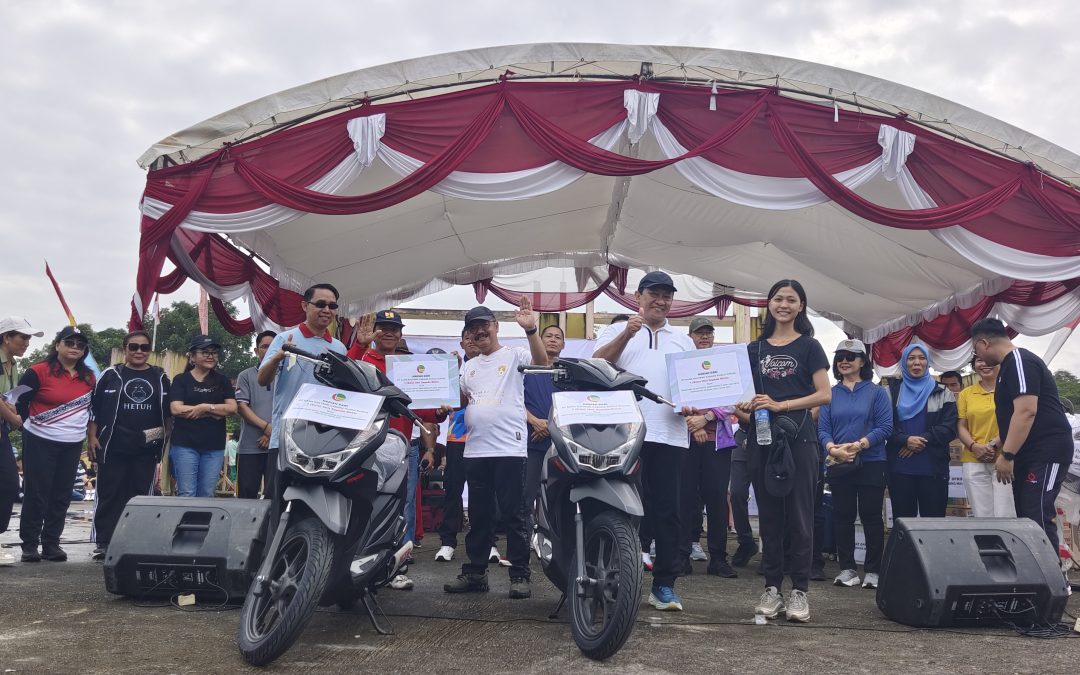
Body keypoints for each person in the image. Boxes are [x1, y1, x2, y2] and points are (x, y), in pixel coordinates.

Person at [594, 271, 695, 611]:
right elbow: (597, 364)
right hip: (624, 435)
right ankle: (614, 580)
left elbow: (694, 385)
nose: (661, 301)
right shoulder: (618, 329)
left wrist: (696, 406)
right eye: (654, 293)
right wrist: (627, 332)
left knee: (668, 512)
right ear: (638, 296)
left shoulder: (683, 340)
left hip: (670, 436)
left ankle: (664, 585)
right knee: (619, 507)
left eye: (667, 295)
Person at [736, 279, 831, 623]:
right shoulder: (753, 349)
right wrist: (742, 408)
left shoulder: (810, 347)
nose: (784, 304)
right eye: (778, 298)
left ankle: (799, 592)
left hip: (801, 442)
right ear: (769, 304)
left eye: (792, 300)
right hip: (763, 441)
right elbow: (743, 403)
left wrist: (781, 405)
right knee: (770, 518)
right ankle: (772, 588)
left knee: (801, 518)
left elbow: (824, 394)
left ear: (801, 306)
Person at [440, 299, 547, 599]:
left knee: (514, 514)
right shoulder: (469, 367)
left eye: (484, 325)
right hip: (475, 450)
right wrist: (443, 397)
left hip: (509, 449)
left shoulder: (516, 355)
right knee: (480, 514)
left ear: (496, 327)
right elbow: (461, 401)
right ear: (468, 336)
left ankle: (520, 574)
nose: (479, 332)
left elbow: (542, 363)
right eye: (472, 329)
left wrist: (531, 329)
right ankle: (475, 573)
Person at [347, 310, 445, 590]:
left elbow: (422, 407)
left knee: (403, 507)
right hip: (366, 445)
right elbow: (345, 376)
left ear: (401, 334)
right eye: (383, 328)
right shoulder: (364, 358)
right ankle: (359, 563)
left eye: (394, 329)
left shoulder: (408, 366)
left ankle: (397, 566)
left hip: (402, 446)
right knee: (364, 503)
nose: (389, 333)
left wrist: (437, 411)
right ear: (374, 331)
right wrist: (360, 344)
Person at [970, 318, 1073, 555]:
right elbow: (1011, 418)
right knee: (1027, 514)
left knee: (1037, 512)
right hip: (1027, 453)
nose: (980, 358)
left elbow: (1026, 411)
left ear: (984, 343)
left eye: (977, 350)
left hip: (1046, 451)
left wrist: (1007, 455)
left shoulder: (1020, 361)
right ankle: (1037, 576)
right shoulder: (1008, 368)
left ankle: (1053, 581)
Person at [257, 283, 347, 496]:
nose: (327, 310)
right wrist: (277, 357)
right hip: (286, 434)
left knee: (314, 497)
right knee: (277, 499)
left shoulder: (339, 347)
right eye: (321, 304)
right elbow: (262, 379)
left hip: (324, 436)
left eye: (332, 305)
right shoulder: (284, 339)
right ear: (305, 306)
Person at [14, 326, 96, 562]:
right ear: (57, 345)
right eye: (69, 343)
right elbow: (18, 402)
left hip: (71, 443)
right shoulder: (37, 371)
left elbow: (93, 410)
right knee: (36, 493)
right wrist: (26, 427)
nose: (74, 348)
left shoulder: (89, 377)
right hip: (40, 440)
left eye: (80, 345)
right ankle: (29, 544)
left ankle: (51, 543)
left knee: (61, 494)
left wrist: (90, 437)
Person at [88, 330, 171, 560]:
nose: (138, 351)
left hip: (145, 447)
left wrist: (159, 440)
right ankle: (104, 542)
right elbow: (95, 409)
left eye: (144, 347)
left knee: (140, 496)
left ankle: (136, 540)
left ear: (149, 351)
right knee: (109, 493)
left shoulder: (160, 376)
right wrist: (92, 437)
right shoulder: (111, 374)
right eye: (133, 347)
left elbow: (168, 416)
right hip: (113, 445)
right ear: (125, 349)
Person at [817, 339, 893, 590]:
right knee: (843, 516)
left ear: (863, 361)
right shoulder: (831, 393)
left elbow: (885, 427)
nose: (844, 361)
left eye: (851, 356)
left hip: (871, 460)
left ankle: (873, 570)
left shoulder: (877, 392)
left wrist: (858, 445)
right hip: (839, 462)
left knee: (871, 516)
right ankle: (847, 569)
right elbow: (823, 429)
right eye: (840, 357)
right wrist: (832, 449)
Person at [680, 317, 739, 578]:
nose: (705, 338)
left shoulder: (726, 364)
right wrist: (695, 425)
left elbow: (734, 400)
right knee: (685, 498)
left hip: (718, 443)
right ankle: (681, 556)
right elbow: (674, 397)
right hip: (685, 439)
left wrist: (707, 418)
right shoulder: (680, 364)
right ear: (690, 336)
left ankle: (718, 558)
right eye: (699, 333)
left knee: (716, 499)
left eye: (709, 333)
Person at [886, 343, 956, 519]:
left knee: (934, 528)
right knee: (903, 526)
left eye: (922, 358)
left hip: (933, 470)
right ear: (904, 362)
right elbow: (883, 426)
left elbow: (949, 427)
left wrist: (919, 441)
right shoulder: (890, 392)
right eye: (911, 358)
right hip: (900, 470)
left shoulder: (943, 391)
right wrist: (904, 440)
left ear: (928, 362)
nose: (917, 362)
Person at [168, 335, 237, 497]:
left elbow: (232, 408)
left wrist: (206, 407)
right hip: (185, 444)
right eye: (205, 352)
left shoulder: (222, 381)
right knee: (187, 492)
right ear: (192, 356)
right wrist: (215, 412)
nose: (210, 356)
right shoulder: (181, 380)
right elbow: (176, 409)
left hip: (214, 446)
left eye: (214, 353)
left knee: (206, 493)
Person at [435, 329, 482, 563]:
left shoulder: (492, 367)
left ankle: (488, 542)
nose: (472, 341)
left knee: (482, 494)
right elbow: (437, 409)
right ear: (461, 342)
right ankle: (447, 542)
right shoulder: (452, 368)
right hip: (456, 439)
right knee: (453, 491)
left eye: (477, 337)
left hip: (485, 439)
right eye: (468, 337)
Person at [1, 317, 44, 566]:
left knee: (8, 485)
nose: (27, 343)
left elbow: (7, 397)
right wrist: (16, 419)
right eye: (23, 337)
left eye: (29, 338)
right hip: (6, 424)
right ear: (6, 337)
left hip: (2, 429)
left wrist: (11, 412)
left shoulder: (13, 365)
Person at [956, 355, 1016, 518]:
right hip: (973, 459)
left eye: (989, 360)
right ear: (974, 365)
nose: (985, 364)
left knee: (1006, 513)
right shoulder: (966, 394)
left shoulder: (1011, 390)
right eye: (979, 360)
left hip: (1004, 458)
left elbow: (1017, 421)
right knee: (982, 515)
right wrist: (974, 447)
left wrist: (993, 445)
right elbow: (961, 425)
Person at [524, 324, 565, 537]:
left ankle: (552, 539)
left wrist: (548, 426)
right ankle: (525, 539)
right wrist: (533, 421)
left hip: (557, 444)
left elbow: (570, 405)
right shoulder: (527, 368)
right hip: (530, 440)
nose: (552, 339)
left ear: (563, 344)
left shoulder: (567, 374)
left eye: (557, 337)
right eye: (548, 336)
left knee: (554, 495)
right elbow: (514, 400)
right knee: (526, 494)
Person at [234, 330, 276, 499]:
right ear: (256, 350)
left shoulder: (286, 375)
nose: (269, 350)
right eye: (265, 346)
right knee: (246, 496)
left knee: (273, 498)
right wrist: (266, 427)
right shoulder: (245, 375)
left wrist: (272, 432)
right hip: (250, 448)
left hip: (276, 448)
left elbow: (289, 407)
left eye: (274, 346)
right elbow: (242, 407)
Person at [728, 425, 759, 568]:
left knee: (766, 498)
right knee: (736, 493)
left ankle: (772, 550)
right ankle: (746, 541)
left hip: (766, 435)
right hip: (743, 435)